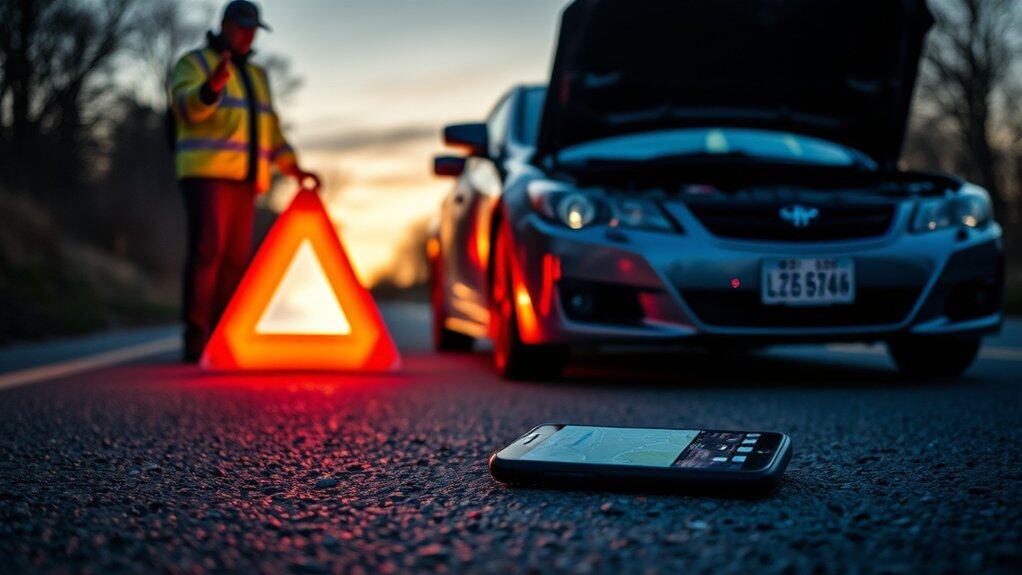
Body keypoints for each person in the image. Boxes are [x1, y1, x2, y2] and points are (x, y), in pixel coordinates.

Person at [170, 0, 319, 362]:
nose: (248, 36)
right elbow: (186, 109)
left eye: (253, 30)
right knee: (208, 250)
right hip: (206, 174)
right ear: (224, 26)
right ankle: (196, 337)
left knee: (236, 260)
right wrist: (212, 86)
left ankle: (221, 337)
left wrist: (295, 169)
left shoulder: (258, 77)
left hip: (246, 181)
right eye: (241, 28)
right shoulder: (195, 63)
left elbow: (271, 132)